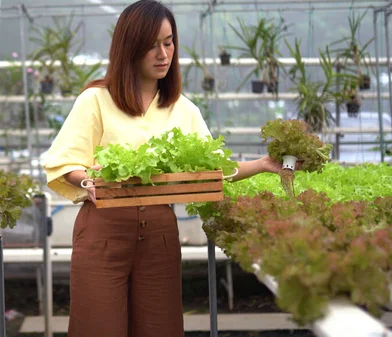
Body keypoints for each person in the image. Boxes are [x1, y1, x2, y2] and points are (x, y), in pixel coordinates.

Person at [42, 1, 288, 336]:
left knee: (160, 327)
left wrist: (262, 164)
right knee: (97, 327)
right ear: (130, 48)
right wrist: (88, 181)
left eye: (168, 42)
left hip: (159, 233)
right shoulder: (96, 100)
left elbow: (210, 170)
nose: (163, 54)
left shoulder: (183, 109)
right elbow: (65, 161)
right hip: (104, 230)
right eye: (151, 45)